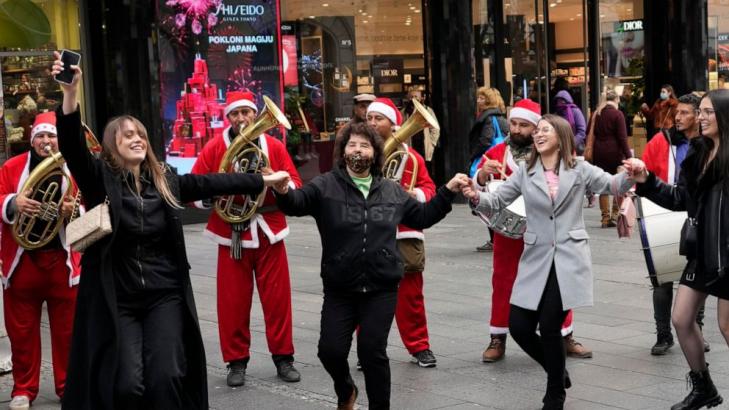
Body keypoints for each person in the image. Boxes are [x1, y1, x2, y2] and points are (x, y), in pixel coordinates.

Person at [52, 54, 292, 409]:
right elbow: (72, 145)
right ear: (111, 144)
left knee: (167, 378)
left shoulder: (164, 180)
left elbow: (210, 182)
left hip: (164, 295)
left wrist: (262, 179)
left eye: (140, 134)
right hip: (119, 299)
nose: (136, 138)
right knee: (128, 385)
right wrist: (70, 94)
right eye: (127, 134)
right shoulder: (99, 180)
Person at [273, 121, 469, 410]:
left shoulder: (391, 190)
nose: (358, 150)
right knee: (330, 351)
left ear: (375, 153)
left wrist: (448, 190)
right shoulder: (326, 185)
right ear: (342, 151)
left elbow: (423, 216)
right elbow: (296, 203)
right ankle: (346, 390)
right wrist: (282, 190)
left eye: (364, 145)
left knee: (371, 353)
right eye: (352, 144)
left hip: (381, 287)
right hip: (340, 287)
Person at [464, 114, 641, 409]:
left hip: (569, 258)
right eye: (538, 131)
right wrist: (474, 195)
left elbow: (612, 184)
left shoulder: (579, 169)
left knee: (549, 326)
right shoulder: (525, 171)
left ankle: (555, 393)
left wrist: (633, 170)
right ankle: (557, 370)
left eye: (545, 130)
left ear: (561, 135)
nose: (538, 135)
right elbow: (495, 202)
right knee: (519, 326)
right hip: (535, 258)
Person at [191, 91, 303, 387]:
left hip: (269, 230)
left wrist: (278, 180)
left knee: (278, 301)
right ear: (227, 118)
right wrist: (214, 191)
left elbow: (296, 183)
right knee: (232, 303)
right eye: (235, 114)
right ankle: (236, 362)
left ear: (256, 115)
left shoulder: (274, 146)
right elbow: (194, 186)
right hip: (232, 234)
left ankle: (284, 358)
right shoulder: (215, 147)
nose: (242, 119)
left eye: (247, 113)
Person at [472, 100, 592, 363]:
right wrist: (481, 175)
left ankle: (564, 334)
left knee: (560, 279)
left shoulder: (550, 153)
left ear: (537, 127)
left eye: (524, 125)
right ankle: (498, 336)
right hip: (508, 229)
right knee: (503, 280)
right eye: (513, 124)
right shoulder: (497, 151)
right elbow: (475, 174)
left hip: (548, 230)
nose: (516, 130)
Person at [632, 89, 729, 410]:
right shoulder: (698, 154)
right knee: (682, 319)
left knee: (727, 327)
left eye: (706, 112)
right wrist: (646, 180)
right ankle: (703, 386)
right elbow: (679, 199)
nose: (700, 118)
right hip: (702, 252)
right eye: (699, 112)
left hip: (728, 255)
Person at [0, 111, 81, 410]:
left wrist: (71, 210)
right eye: (41, 136)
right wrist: (14, 202)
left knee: (68, 332)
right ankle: (23, 389)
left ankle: (67, 386)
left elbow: (91, 207)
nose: (46, 141)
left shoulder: (74, 167)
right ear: (32, 138)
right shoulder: (10, 167)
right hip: (23, 263)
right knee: (21, 332)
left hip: (62, 261)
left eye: (51, 136)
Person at [366, 97, 439, 368]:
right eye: (370, 118)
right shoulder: (358, 152)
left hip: (405, 234)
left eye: (379, 119)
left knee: (411, 298)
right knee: (368, 296)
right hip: (370, 233)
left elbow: (429, 188)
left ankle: (419, 347)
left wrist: (412, 194)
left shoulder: (412, 157)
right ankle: (368, 349)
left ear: (393, 124)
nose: (373, 123)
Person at [641, 93, 710, 356]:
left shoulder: (708, 146)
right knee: (661, 276)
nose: (677, 117)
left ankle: (696, 330)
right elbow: (647, 171)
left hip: (696, 219)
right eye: (676, 112)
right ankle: (663, 334)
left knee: (697, 278)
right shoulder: (662, 140)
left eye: (684, 113)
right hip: (664, 210)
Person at [468, 87, 508, 252]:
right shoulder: (500, 117)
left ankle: (494, 238)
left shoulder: (488, 118)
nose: (478, 101)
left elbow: (485, 140)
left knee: (485, 196)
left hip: (487, 161)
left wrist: (473, 155)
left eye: (482, 98)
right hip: (498, 162)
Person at [587, 90, 632, 228]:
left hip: (599, 152)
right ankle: (615, 215)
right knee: (617, 184)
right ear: (617, 99)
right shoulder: (618, 114)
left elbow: (588, 133)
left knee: (602, 184)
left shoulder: (596, 114)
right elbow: (623, 138)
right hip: (615, 152)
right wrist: (629, 157)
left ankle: (605, 218)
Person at [332, 93, 376, 163]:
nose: (367, 110)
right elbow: (337, 159)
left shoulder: (376, 127)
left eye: (370, 107)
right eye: (362, 107)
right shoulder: (345, 130)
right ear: (355, 109)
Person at [400, 88, 440, 163]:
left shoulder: (428, 111)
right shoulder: (403, 113)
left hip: (423, 147)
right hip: (410, 148)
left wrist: (432, 144)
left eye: (416, 97)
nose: (413, 99)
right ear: (408, 98)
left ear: (421, 98)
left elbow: (435, 129)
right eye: (411, 97)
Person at [553, 90, 587, 154]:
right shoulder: (556, 114)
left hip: (575, 148)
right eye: (558, 101)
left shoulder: (576, 111)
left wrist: (571, 144)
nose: (559, 103)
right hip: (560, 148)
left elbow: (582, 132)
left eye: (562, 100)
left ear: (567, 100)